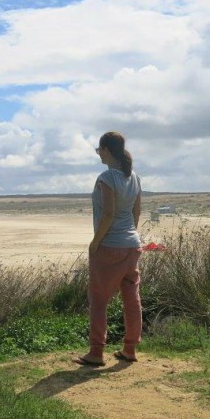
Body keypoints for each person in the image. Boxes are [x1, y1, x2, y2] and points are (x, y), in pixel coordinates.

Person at [74, 131, 142, 366]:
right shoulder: (134, 177)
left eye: (98, 150)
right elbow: (136, 212)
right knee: (131, 298)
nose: (98, 155)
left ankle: (96, 352)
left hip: (110, 245)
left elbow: (109, 214)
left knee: (99, 299)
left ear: (105, 150)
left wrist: (95, 243)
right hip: (133, 245)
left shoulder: (106, 178)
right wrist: (130, 234)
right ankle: (130, 348)